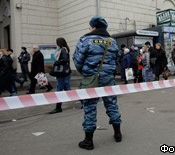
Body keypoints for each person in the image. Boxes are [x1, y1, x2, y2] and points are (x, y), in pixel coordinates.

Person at [73, 16, 122, 150]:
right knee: (112, 104)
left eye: (90, 27)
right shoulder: (112, 41)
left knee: (89, 107)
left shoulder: (85, 40)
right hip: (108, 78)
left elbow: (77, 59)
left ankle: (88, 141)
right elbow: (117, 59)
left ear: (93, 27)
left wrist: (86, 72)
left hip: (91, 78)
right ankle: (118, 134)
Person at [49, 38, 71, 114]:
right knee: (68, 90)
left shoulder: (63, 50)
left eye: (56, 42)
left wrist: (56, 63)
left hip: (62, 73)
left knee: (59, 90)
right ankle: (83, 102)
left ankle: (58, 108)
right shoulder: (64, 49)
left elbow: (65, 59)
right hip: (65, 73)